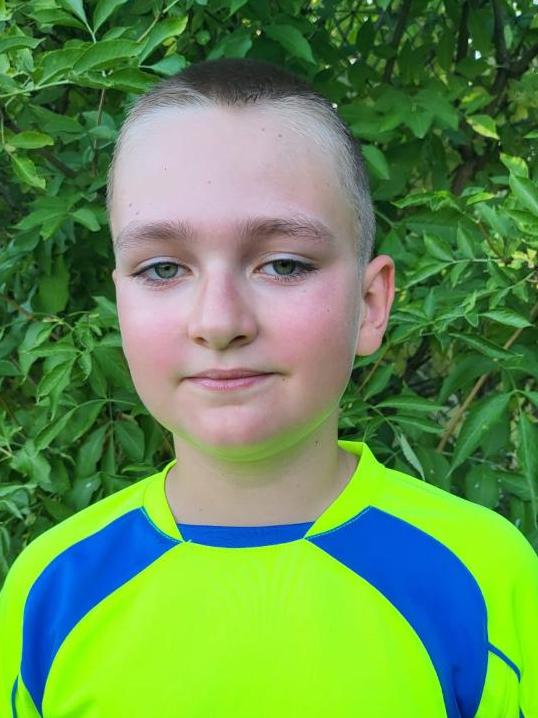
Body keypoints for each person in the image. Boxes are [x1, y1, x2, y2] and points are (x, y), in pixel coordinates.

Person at [0, 57, 536, 718]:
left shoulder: (484, 576)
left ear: (370, 305)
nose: (219, 321)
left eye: (283, 264)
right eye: (163, 269)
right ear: (120, 304)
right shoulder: (49, 590)